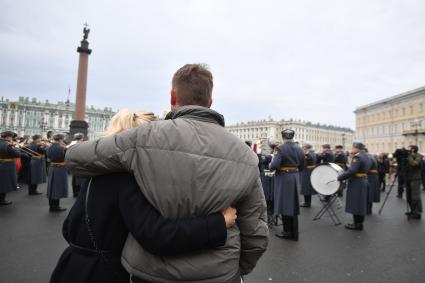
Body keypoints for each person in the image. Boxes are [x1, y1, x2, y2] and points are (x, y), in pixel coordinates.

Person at [65, 64, 268, 283]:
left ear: (173, 96)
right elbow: (255, 230)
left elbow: (75, 158)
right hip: (219, 272)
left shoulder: (142, 138)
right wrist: (237, 268)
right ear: (210, 102)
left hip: (150, 273)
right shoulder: (246, 155)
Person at [51, 109, 238, 283]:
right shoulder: (125, 179)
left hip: (69, 266)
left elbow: (68, 228)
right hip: (103, 273)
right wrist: (218, 223)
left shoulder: (96, 171)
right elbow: (156, 235)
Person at [270, 129, 304, 241]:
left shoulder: (280, 148)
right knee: (292, 205)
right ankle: (293, 231)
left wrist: (271, 165)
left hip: (284, 178)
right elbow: (302, 166)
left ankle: (287, 232)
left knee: (284, 205)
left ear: (283, 137)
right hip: (294, 177)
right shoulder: (299, 148)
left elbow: (274, 165)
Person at [337, 142, 371, 231]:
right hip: (363, 180)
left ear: (357, 148)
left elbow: (352, 171)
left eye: (353, 147)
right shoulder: (367, 155)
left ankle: (357, 224)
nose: (352, 149)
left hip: (357, 182)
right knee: (361, 203)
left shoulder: (357, 157)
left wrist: (340, 177)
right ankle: (359, 223)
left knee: (356, 203)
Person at [46, 134, 68, 212]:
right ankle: (56, 206)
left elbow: (48, 157)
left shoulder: (48, 147)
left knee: (51, 187)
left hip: (52, 168)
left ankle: (52, 206)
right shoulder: (62, 148)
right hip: (60, 169)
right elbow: (66, 158)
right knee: (57, 187)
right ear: (61, 139)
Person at [0, 131, 20, 205]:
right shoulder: (7, 145)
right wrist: (16, 148)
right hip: (6, 166)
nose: (11, 138)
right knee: (4, 184)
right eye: (11, 137)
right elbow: (17, 154)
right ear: (7, 137)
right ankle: (2, 200)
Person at [68, 133, 89, 197]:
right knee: (79, 178)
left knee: (74, 178)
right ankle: (78, 192)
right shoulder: (82, 144)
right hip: (79, 163)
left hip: (72, 162)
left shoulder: (71, 144)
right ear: (82, 138)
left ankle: (75, 192)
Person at [405, 145, 423, 220]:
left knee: (415, 197)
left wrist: (409, 157)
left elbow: (414, 164)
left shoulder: (419, 156)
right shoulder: (409, 156)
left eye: (410, 149)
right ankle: (412, 210)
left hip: (415, 179)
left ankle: (417, 212)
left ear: (414, 149)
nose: (408, 150)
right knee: (409, 196)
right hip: (409, 178)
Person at [300, 143, 317, 208]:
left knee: (306, 188)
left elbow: (304, 164)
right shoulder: (313, 153)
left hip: (307, 172)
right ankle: (307, 202)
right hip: (310, 171)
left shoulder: (307, 154)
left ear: (306, 148)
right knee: (308, 188)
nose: (303, 148)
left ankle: (307, 203)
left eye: (303, 147)